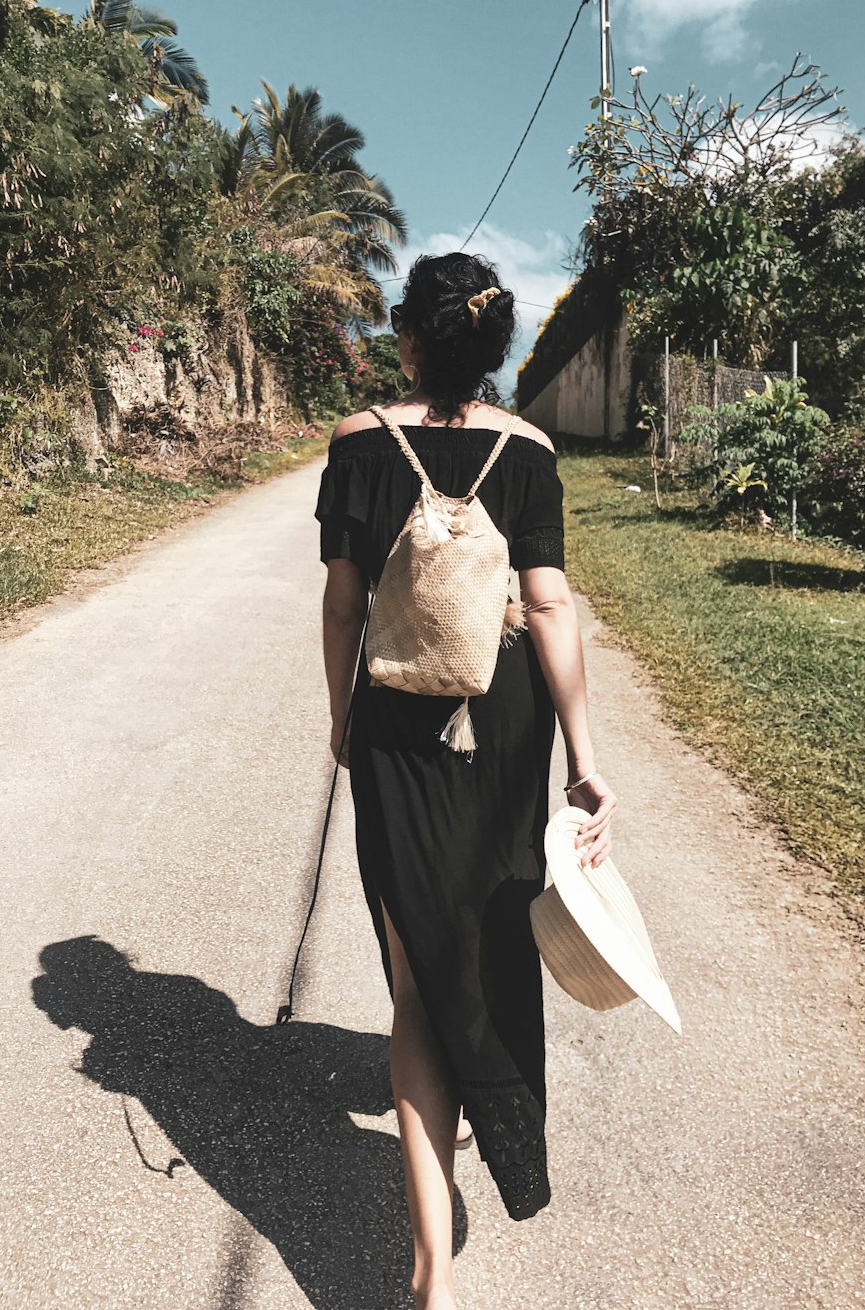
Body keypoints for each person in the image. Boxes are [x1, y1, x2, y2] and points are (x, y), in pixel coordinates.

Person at [315, 252, 617, 1310]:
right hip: (506, 722)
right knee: (481, 943)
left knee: (414, 973)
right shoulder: (529, 450)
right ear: (493, 350)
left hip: (400, 718)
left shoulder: (356, 443)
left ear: (406, 336)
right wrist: (583, 761)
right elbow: (547, 606)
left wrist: (346, 717)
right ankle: (497, 1122)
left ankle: (430, 1270)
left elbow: (345, 608)